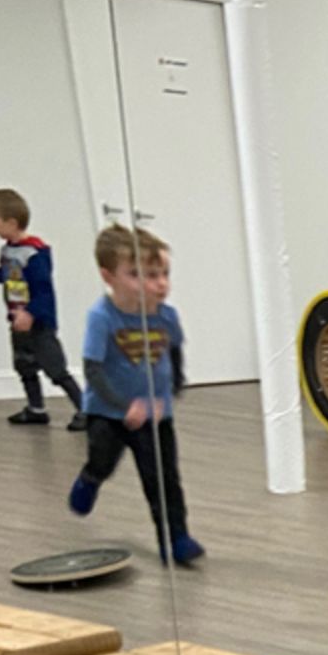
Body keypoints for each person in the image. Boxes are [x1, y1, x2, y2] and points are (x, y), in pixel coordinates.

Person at [68, 224, 203, 565]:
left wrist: (172, 390)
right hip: (108, 414)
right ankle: (90, 478)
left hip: (155, 417)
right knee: (103, 461)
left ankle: (176, 538)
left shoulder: (167, 316)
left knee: (163, 479)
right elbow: (93, 370)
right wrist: (123, 405)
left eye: (163, 274)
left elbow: (174, 352)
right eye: (141, 275)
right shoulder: (102, 318)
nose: (158, 284)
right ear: (108, 276)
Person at [0, 188, 85, 428]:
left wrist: (30, 313)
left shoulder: (34, 253)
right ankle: (36, 408)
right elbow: (7, 276)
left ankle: (86, 410)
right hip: (17, 321)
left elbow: (43, 290)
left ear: (11, 222)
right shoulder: (8, 251)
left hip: (39, 325)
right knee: (24, 366)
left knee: (55, 370)